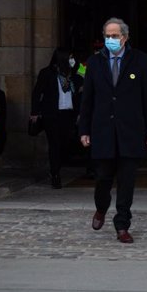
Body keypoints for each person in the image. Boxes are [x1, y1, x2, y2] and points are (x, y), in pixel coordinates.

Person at [78, 17, 147, 243]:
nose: (111, 40)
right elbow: (88, 99)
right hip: (103, 130)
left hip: (131, 131)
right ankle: (101, 208)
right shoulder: (94, 63)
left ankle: (122, 225)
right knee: (103, 178)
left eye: (115, 36)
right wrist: (84, 129)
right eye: (107, 36)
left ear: (125, 37)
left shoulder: (140, 61)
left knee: (127, 182)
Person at [30, 47, 83, 188]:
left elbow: (80, 94)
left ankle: (58, 167)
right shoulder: (47, 74)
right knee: (54, 144)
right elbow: (37, 93)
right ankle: (55, 174)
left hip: (68, 114)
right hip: (52, 115)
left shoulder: (74, 76)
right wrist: (34, 112)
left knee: (65, 144)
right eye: (70, 57)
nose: (72, 60)